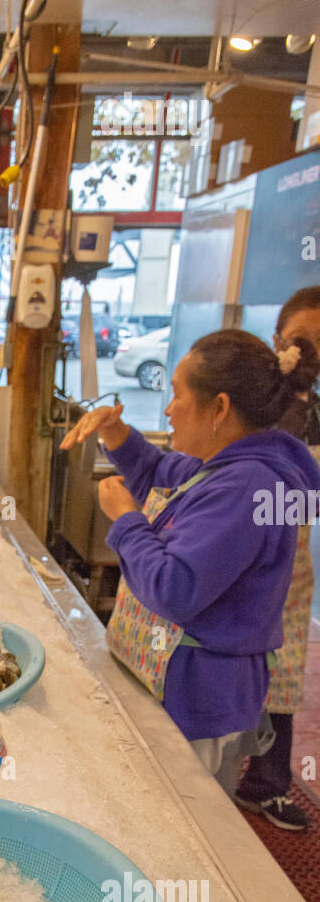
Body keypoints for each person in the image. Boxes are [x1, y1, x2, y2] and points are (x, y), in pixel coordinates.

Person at [61, 329, 320, 795]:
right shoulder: (223, 465)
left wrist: (125, 520)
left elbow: (175, 589)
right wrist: (116, 433)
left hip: (199, 698)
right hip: (180, 687)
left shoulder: (247, 486)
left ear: (219, 408)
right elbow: (160, 472)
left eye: (177, 394)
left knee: (185, 822)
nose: (167, 409)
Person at [236, 288, 320, 830]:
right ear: (278, 342)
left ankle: (265, 783)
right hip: (238, 555)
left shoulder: (314, 412)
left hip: (291, 564)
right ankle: (200, 778)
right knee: (222, 667)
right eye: (303, 342)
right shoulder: (252, 402)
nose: (311, 354)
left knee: (283, 677)